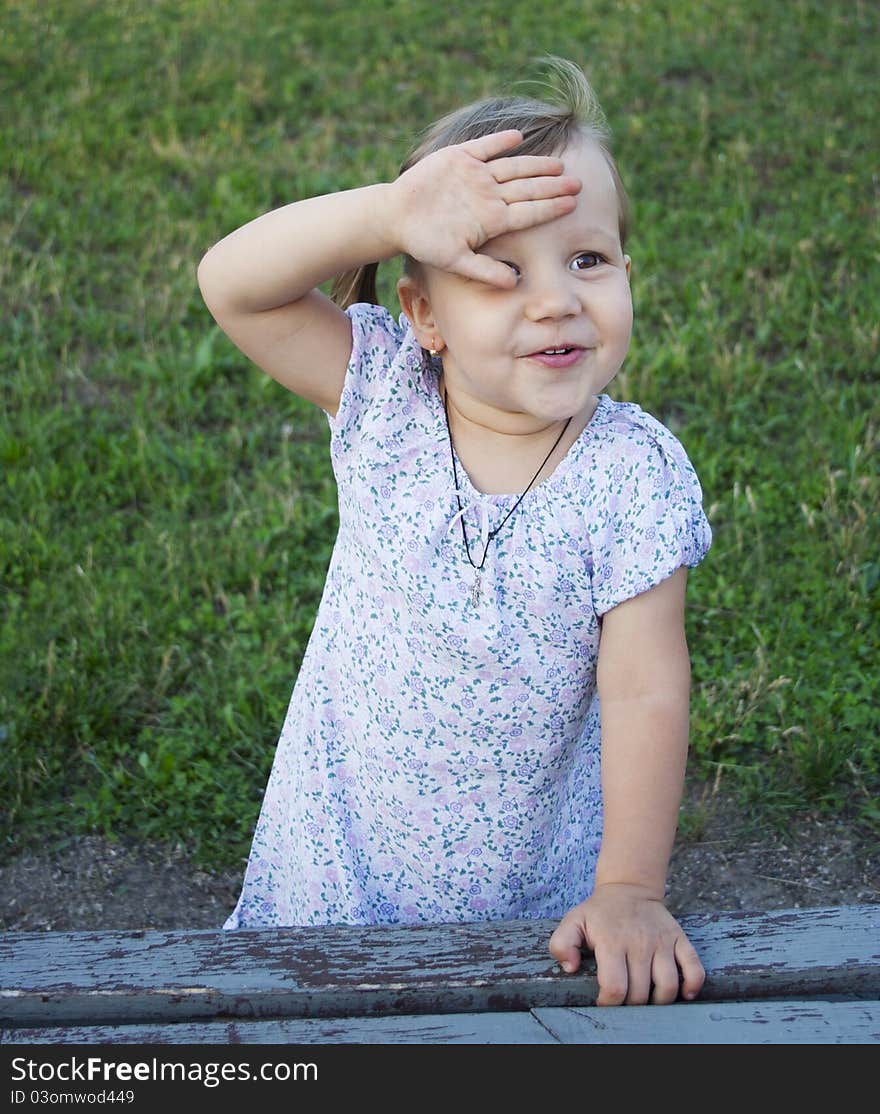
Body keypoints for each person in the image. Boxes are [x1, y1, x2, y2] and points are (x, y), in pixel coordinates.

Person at [197, 58, 712, 1007]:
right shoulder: (383, 394)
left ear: (627, 272)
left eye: (587, 260)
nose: (555, 299)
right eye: (499, 269)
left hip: (525, 914)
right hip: (328, 880)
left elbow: (645, 686)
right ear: (424, 314)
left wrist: (631, 889)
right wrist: (389, 216)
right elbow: (231, 284)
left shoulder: (631, 475)